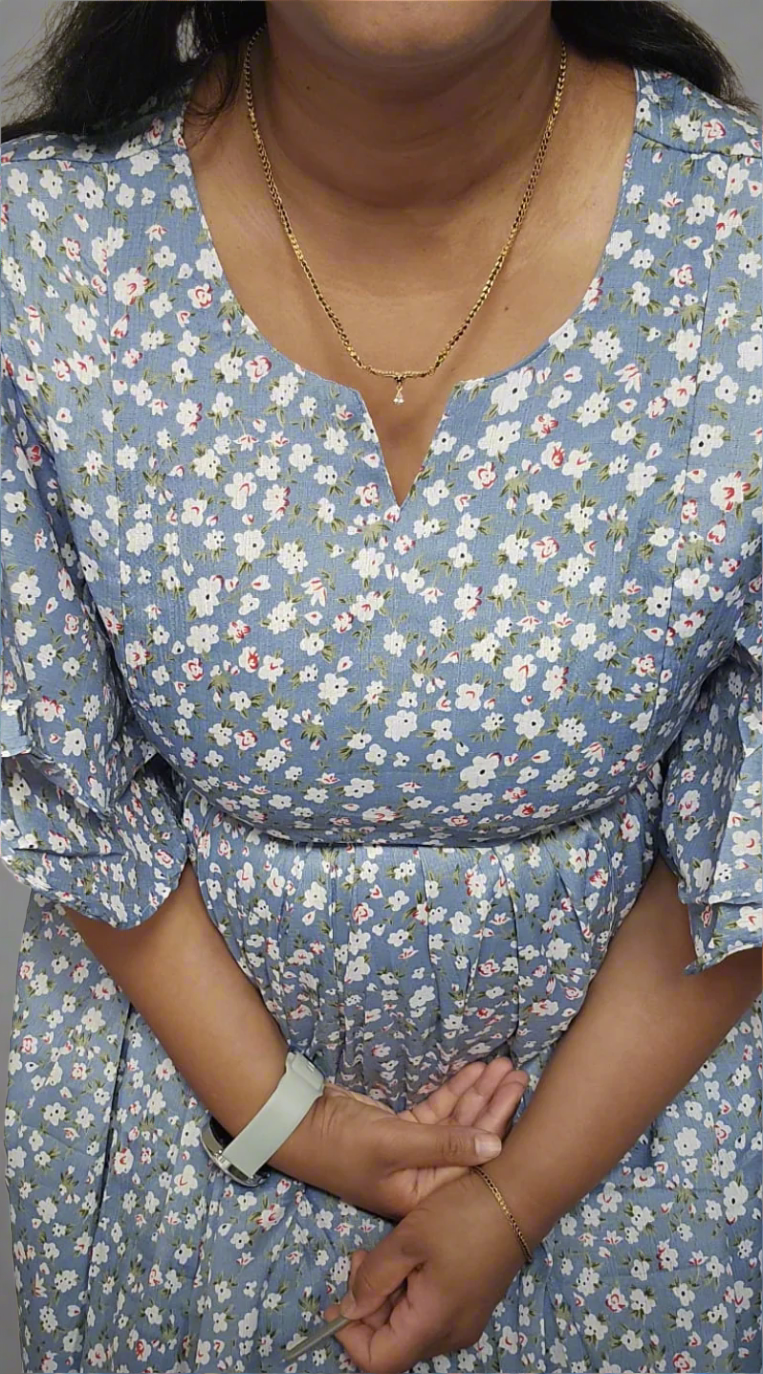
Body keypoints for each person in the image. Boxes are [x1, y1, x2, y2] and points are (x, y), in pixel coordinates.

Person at [1, 1, 761, 1371]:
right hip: (187, 1125)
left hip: (635, 1145)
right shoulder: (38, 248)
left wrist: (514, 1200)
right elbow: (66, 783)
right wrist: (287, 1115)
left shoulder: (738, 241)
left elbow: (748, 843)